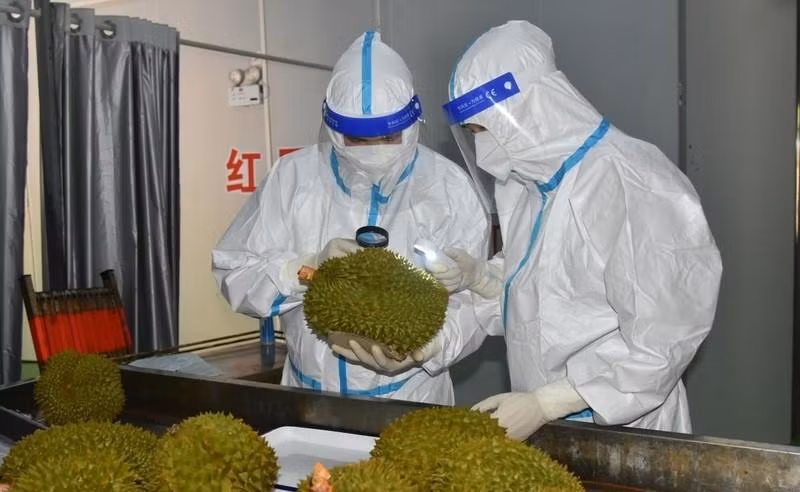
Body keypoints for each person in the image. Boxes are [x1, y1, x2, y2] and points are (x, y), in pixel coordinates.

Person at [426, 20, 722, 439]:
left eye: (484, 130)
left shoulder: (633, 182)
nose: (482, 149)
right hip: (542, 418)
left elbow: (661, 341)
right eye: (472, 133)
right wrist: (483, 278)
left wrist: (548, 402)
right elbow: (545, 294)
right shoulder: (531, 185)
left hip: (623, 428)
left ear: (532, 107)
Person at [212, 31, 490, 405]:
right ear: (333, 129)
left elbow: (476, 299)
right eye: (357, 140)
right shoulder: (292, 179)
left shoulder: (449, 188)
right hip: (307, 399)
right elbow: (235, 272)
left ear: (412, 123)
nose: (373, 150)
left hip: (413, 399)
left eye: (388, 136)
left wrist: (431, 346)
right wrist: (303, 269)